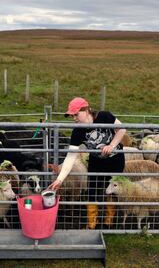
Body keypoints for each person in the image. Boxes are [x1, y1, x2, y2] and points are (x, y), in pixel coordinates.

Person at [49, 97, 126, 229]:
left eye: (76, 114)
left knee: (112, 190)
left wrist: (112, 145)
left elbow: (122, 129)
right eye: (72, 115)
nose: (74, 118)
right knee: (92, 191)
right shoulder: (78, 131)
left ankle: (109, 222)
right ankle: (92, 224)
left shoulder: (104, 116)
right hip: (96, 161)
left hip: (115, 160)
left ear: (87, 110)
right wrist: (60, 179)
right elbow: (70, 157)